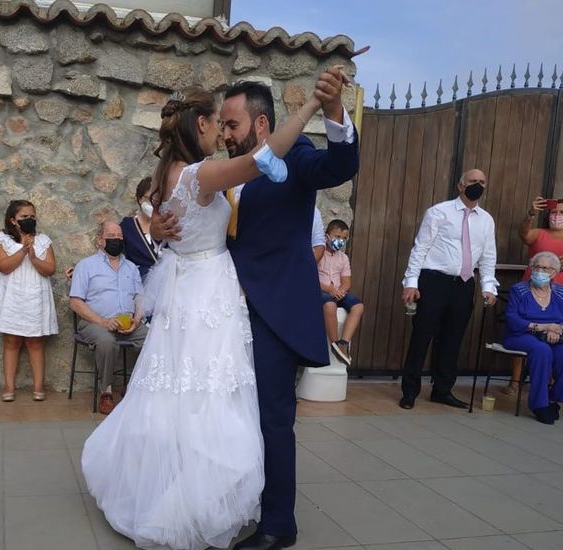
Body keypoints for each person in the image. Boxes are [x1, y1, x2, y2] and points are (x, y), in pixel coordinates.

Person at [88, 67, 357, 550]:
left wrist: (332, 110)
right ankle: (217, 499)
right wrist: (167, 233)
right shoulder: (216, 169)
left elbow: (340, 166)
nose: (226, 133)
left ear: (259, 125)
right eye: (220, 124)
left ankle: (278, 525)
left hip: (268, 310)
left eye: (233, 125)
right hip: (217, 307)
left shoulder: (292, 156)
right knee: (213, 409)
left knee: (270, 417)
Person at [399, 169, 499, 410]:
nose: (478, 185)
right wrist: (411, 282)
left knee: (453, 338)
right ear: (460, 185)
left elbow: (488, 256)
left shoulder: (486, 219)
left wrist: (488, 286)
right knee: (422, 336)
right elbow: (420, 248)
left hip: (464, 284)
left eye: (483, 182)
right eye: (473, 181)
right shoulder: (439, 212)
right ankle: (410, 391)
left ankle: (442, 390)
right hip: (434, 280)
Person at [504, 197, 563, 394]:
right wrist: (530, 214)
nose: (557, 216)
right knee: (526, 331)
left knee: (560, 335)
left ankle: (552, 382)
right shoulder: (540, 233)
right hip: (534, 288)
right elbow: (524, 235)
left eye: (562, 213)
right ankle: (515, 381)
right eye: (554, 212)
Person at [69, 221, 148, 414]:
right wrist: (103, 322)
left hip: (128, 323)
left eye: (120, 237)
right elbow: (75, 302)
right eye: (111, 237)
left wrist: (136, 320)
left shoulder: (131, 268)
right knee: (106, 341)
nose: (117, 240)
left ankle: (135, 386)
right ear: (100, 241)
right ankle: (106, 391)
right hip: (95, 322)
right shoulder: (85, 266)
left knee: (154, 339)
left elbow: (140, 298)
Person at [0, 200, 57, 402]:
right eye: (24, 217)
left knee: (36, 341)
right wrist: (22, 250)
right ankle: (9, 386)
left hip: (35, 294)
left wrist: (34, 257)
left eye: (32, 217)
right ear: (13, 220)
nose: (29, 220)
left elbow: (50, 269)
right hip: (13, 294)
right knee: (11, 340)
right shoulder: (2, 240)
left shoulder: (44, 241)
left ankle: (38, 386)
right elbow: (3, 266)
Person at [502, 252, 563, 425]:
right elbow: (512, 319)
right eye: (536, 267)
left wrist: (558, 329)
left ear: (554, 272)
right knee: (541, 350)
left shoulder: (561, 293)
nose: (539, 271)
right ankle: (539, 404)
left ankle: (554, 400)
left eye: (544, 268)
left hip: (553, 335)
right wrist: (542, 327)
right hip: (522, 334)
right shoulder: (519, 290)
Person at [318, 219, 364, 365]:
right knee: (330, 305)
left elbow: (346, 281)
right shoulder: (318, 254)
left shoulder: (343, 258)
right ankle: (335, 343)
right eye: (337, 237)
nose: (341, 241)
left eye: (344, 238)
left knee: (358, 306)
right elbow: (311, 279)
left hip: (338, 292)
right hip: (321, 291)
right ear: (327, 237)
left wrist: (341, 291)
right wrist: (330, 290)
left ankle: (344, 342)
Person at [121, 176, 162, 281]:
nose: (152, 204)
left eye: (156, 199)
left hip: (168, 280)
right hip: (140, 281)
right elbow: (114, 256)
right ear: (140, 199)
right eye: (148, 199)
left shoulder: (166, 223)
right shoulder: (127, 226)